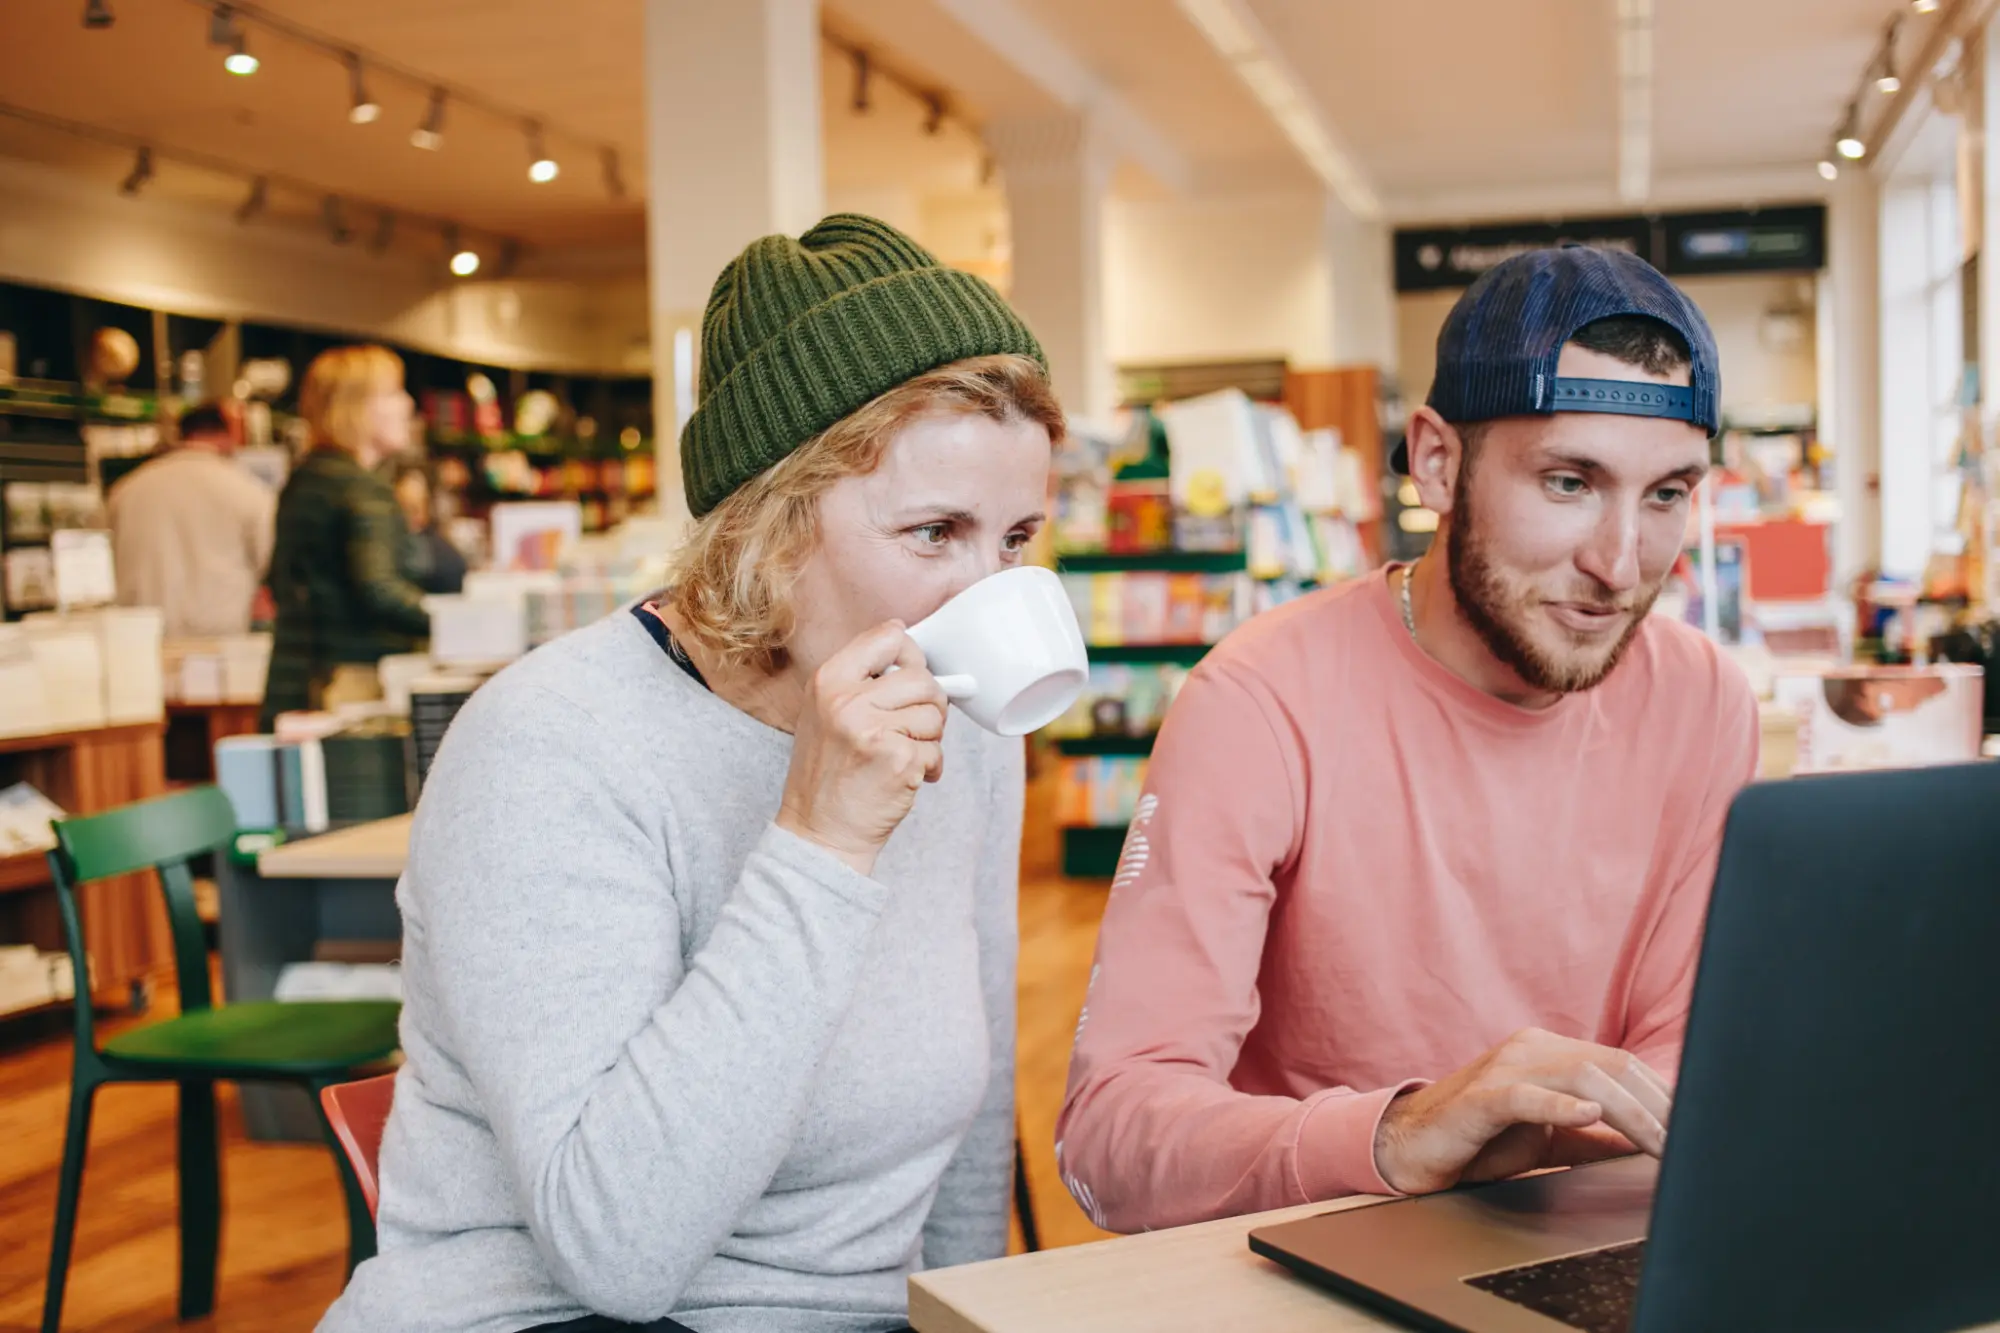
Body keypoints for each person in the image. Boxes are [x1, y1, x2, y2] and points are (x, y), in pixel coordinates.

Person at [318, 214, 1060, 1333]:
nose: (986, 592)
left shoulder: (967, 727)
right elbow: (616, 1252)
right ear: (767, 521)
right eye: (932, 531)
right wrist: (823, 843)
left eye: (1014, 539)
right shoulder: (549, 744)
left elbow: (973, 1113)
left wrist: (960, 1313)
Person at [1055, 245, 1761, 1233]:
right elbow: (1108, 1142)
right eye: (1568, 482)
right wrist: (1397, 1135)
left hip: (1596, 1249)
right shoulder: (1258, 701)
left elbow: (1681, 1068)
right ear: (1436, 462)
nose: (1619, 563)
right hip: (1315, 1256)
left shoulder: (1703, 702)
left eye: (1666, 494)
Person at [259, 345, 430, 728]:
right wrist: (455, 624)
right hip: (350, 686)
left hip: (295, 680)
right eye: (392, 393)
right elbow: (380, 591)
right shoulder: (362, 489)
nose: (407, 405)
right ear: (355, 407)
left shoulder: (305, 481)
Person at [105, 400, 275, 637]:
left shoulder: (127, 490)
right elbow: (272, 566)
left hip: (141, 642)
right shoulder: (248, 491)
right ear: (230, 434)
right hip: (219, 642)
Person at [393, 462, 468, 595]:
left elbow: (455, 570)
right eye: (406, 507)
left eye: (417, 507)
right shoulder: (386, 545)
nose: (413, 514)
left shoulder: (437, 547)